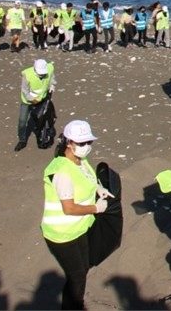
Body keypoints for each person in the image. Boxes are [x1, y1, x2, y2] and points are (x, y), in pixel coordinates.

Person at [41, 120, 111, 310]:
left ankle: (72, 303)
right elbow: (69, 208)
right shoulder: (62, 171)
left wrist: (98, 188)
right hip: (61, 234)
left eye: (89, 142)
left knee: (82, 269)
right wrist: (97, 209)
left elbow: (86, 178)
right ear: (69, 143)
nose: (86, 147)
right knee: (77, 275)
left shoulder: (81, 162)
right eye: (81, 143)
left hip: (79, 228)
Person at [16, 58, 56, 151]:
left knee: (41, 118)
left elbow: (52, 79)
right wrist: (32, 100)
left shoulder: (49, 69)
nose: (42, 75)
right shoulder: (27, 74)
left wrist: (52, 86)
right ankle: (22, 140)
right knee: (22, 121)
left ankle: (40, 134)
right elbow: (25, 91)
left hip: (42, 99)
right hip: (28, 101)